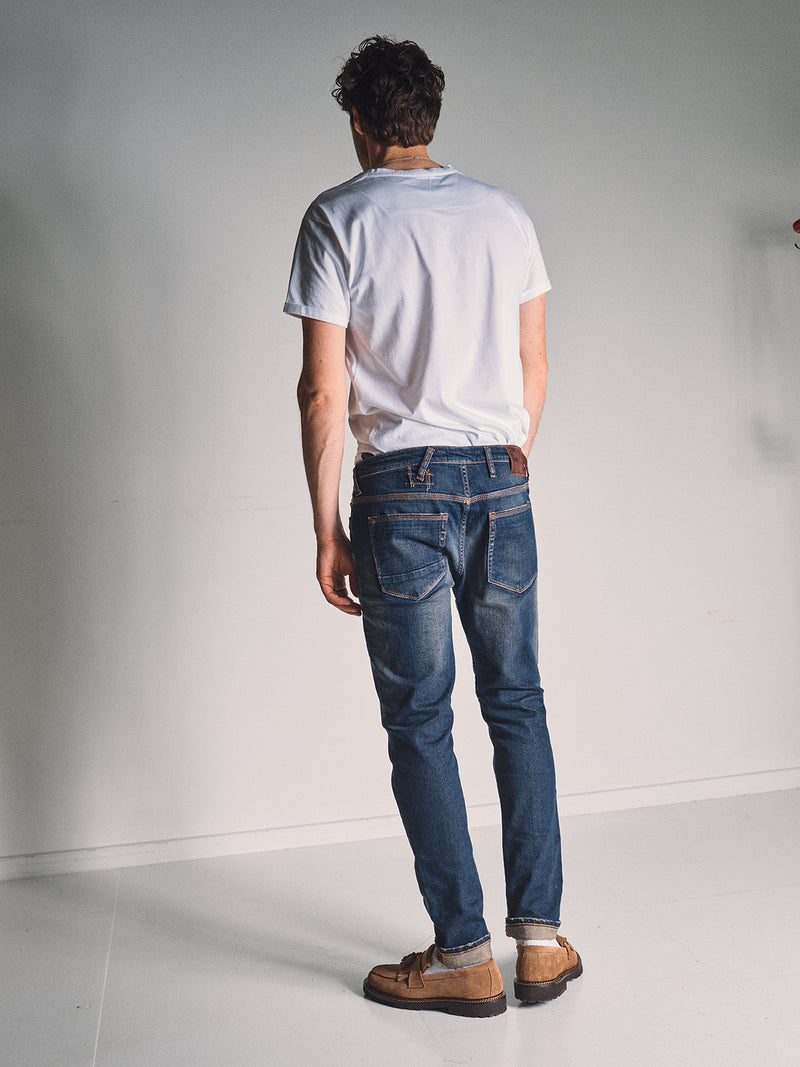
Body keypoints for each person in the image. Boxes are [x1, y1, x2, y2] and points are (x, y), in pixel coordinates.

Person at [284, 35, 582, 1018]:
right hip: (502, 476)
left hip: (398, 490)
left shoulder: (337, 215)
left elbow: (323, 390)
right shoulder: (504, 214)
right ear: (430, 116)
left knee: (421, 720)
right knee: (518, 701)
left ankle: (462, 953)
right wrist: (505, 458)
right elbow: (534, 365)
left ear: (359, 122)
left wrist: (326, 526)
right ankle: (539, 943)